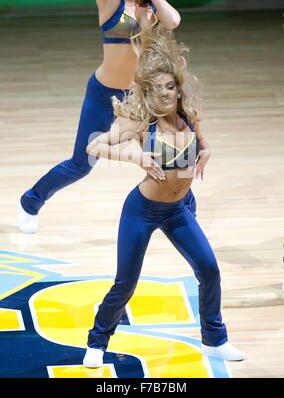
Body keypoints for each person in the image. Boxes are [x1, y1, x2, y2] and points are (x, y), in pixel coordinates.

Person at [83, 27, 245, 368]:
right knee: (126, 283)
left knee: (210, 270)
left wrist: (206, 151)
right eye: (157, 89)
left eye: (170, 86)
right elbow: (93, 145)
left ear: (178, 86)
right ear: (148, 93)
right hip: (142, 210)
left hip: (178, 209)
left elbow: (203, 141)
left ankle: (215, 340)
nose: (166, 94)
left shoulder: (189, 115)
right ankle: (97, 340)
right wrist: (135, 157)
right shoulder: (141, 125)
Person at [18, 0, 197, 233]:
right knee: (81, 163)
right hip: (103, 93)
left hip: (139, 98)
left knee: (169, 153)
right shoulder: (109, 2)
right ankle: (29, 203)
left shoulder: (152, 8)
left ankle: (186, 210)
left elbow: (174, 20)